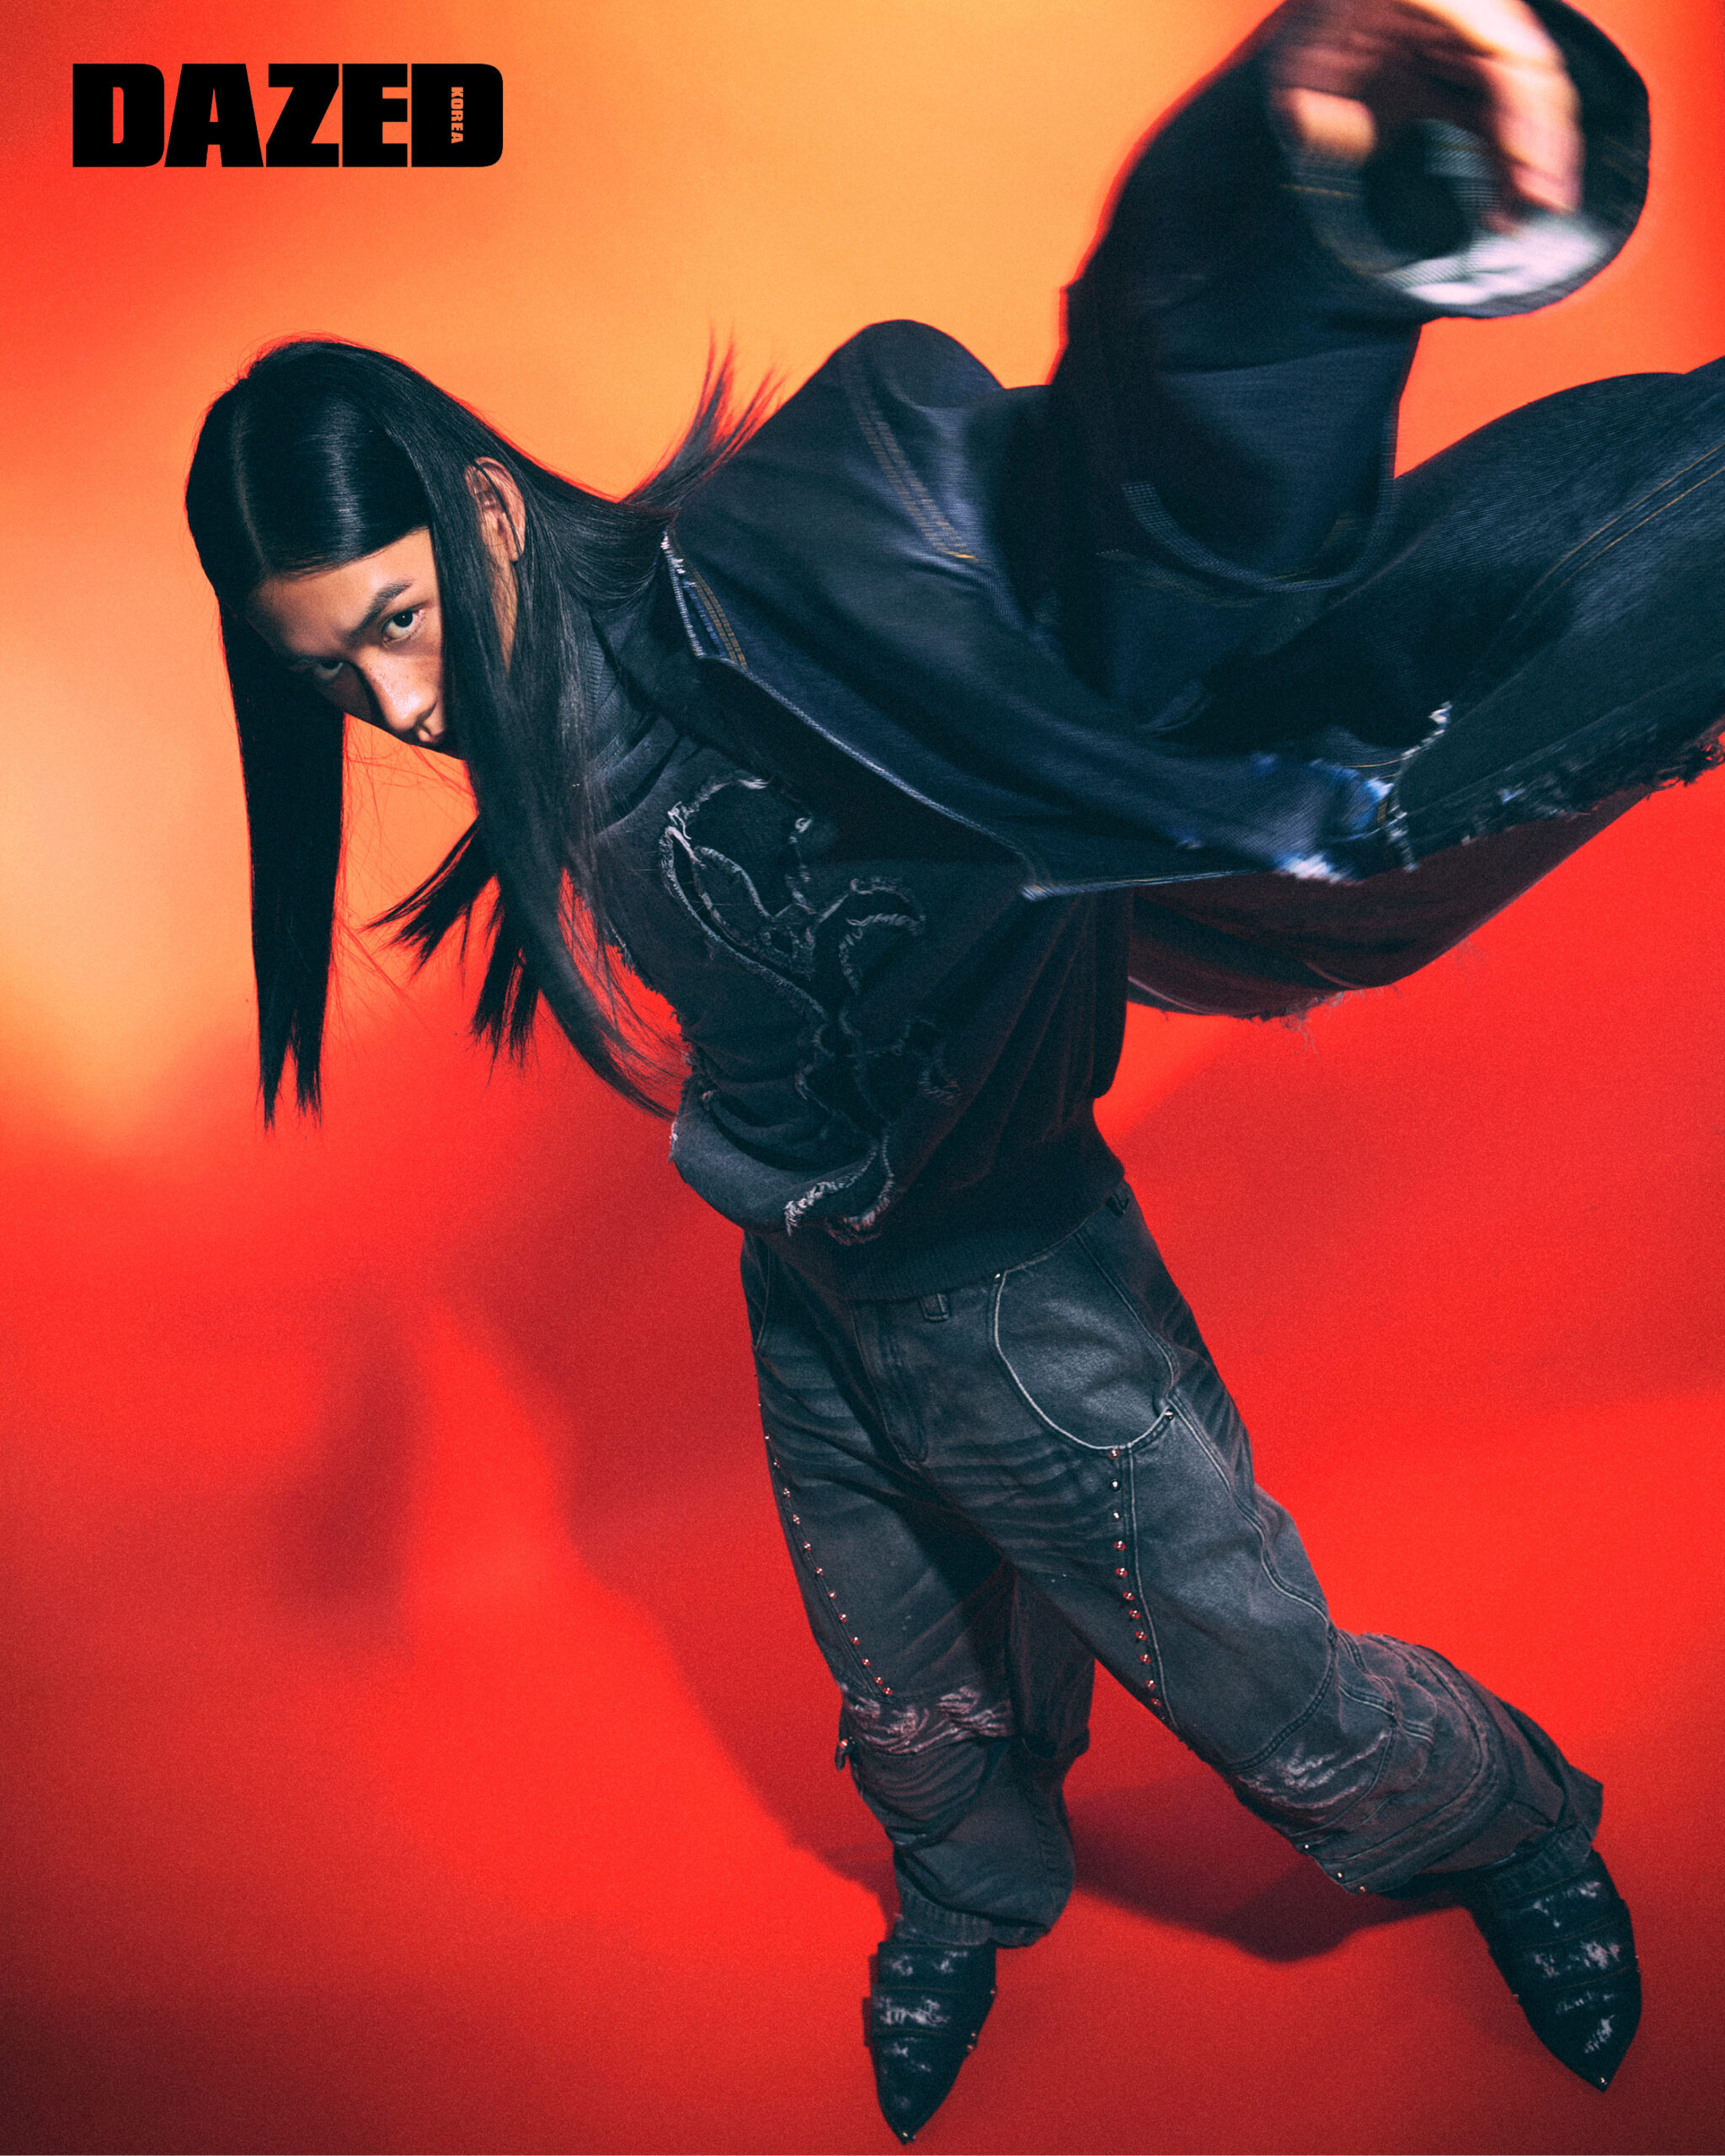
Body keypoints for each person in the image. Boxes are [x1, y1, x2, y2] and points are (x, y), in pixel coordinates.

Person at [185, 0, 1717, 2137]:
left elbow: (1128, 527)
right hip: (809, 1294)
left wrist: (1291, 196)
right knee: (913, 1713)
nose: (391, 703)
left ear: (490, 516)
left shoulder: (779, 580)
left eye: (395, 619)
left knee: (1286, 1714)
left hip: (1025, 1292)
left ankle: (1516, 1822)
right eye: (329, 672)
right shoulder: (538, 761)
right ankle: (969, 1901)